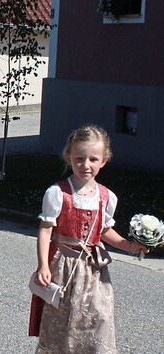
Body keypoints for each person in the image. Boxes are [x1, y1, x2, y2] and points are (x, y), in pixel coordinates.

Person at [30, 125, 147, 352]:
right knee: (62, 320)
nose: (86, 165)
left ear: (104, 160)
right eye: (80, 158)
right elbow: (45, 230)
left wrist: (128, 245)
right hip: (64, 267)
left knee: (98, 318)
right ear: (69, 157)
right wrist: (43, 265)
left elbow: (103, 231)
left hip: (94, 271)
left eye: (94, 159)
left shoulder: (106, 196)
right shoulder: (57, 193)